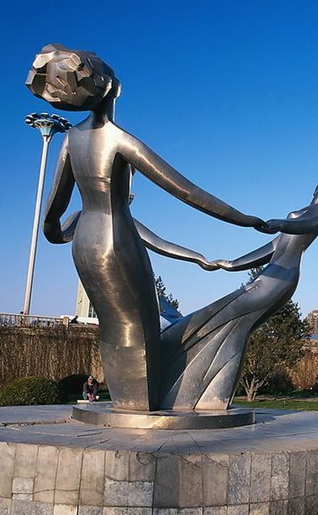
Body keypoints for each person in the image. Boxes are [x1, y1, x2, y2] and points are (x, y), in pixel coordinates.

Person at [29, 44, 274, 411]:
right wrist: (247, 220)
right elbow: (186, 191)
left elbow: (52, 213)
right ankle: (142, 406)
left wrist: (65, 233)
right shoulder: (118, 139)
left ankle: (128, 402)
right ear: (112, 89)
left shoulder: (70, 140)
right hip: (117, 240)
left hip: (85, 244)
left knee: (113, 324)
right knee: (138, 326)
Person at [157, 167, 318, 410]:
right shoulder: (306, 212)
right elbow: (271, 248)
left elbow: (305, 225)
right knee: (230, 327)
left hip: (279, 279)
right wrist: (231, 264)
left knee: (224, 321)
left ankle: (208, 392)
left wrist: (278, 223)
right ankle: (207, 394)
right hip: (272, 276)